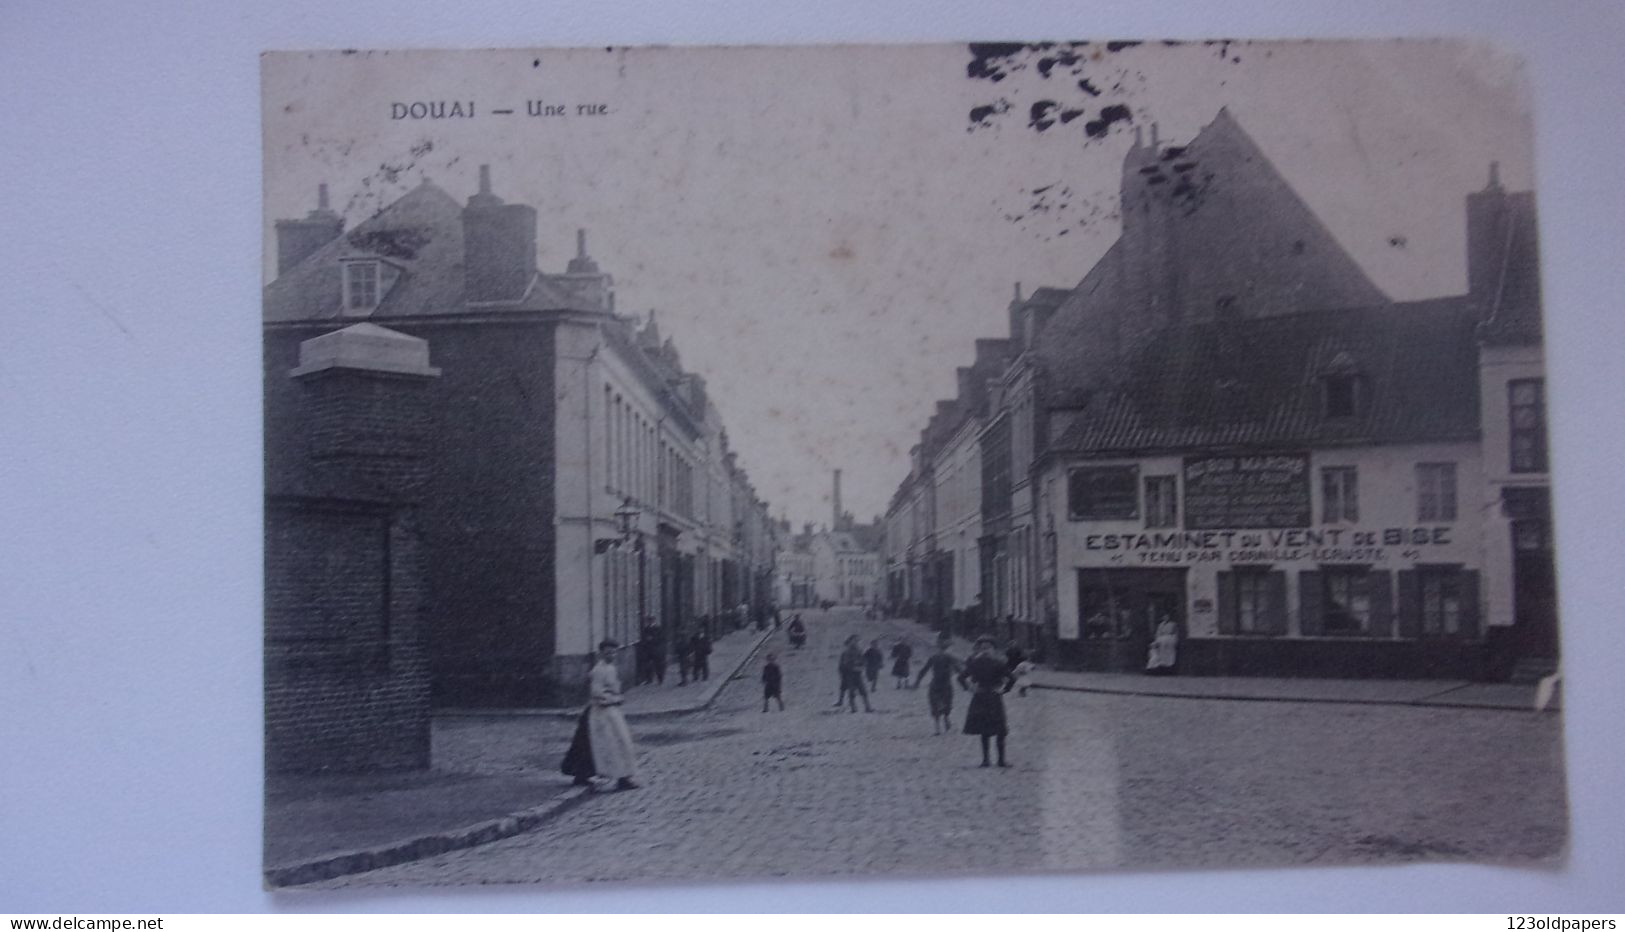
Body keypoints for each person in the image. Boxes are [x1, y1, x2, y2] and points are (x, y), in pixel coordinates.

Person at [587, 639, 639, 791]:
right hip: (602, 713)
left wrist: (617, 698)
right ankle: (618, 777)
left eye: (614, 652)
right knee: (611, 746)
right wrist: (615, 699)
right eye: (608, 652)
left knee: (623, 743)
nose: (612, 655)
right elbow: (597, 693)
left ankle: (625, 777)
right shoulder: (599, 670)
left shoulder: (611, 668)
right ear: (601, 653)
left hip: (613, 711)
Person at [959, 635, 1015, 767]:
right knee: (1000, 729)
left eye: (986, 648)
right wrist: (1004, 690)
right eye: (984, 648)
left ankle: (986, 760)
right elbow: (1012, 678)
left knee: (985, 730)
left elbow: (961, 678)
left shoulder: (975, 663)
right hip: (994, 697)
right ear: (993, 650)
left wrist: (969, 689)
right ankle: (1001, 760)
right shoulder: (998, 663)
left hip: (980, 697)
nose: (985, 650)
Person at [913, 634, 961, 735]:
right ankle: (946, 719)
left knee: (935, 706)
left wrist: (917, 681)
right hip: (945, 684)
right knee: (947, 704)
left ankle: (938, 727)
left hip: (935, 684)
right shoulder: (949, 657)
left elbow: (924, 670)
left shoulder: (934, 657)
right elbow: (958, 669)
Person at [836, 634, 873, 713]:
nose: (856, 642)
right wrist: (855, 665)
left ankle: (868, 707)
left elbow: (864, 661)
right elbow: (845, 663)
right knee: (851, 692)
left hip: (858, 674)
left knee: (863, 691)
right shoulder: (847, 652)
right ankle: (853, 708)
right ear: (850, 641)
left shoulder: (859, 650)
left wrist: (861, 665)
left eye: (857, 641)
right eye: (855, 641)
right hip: (850, 674)